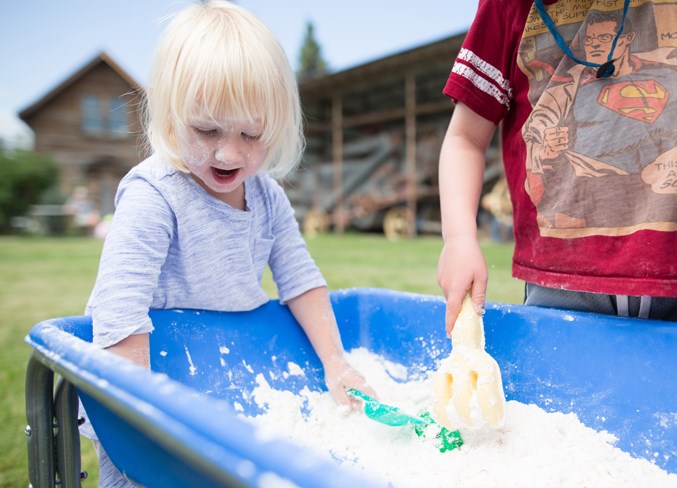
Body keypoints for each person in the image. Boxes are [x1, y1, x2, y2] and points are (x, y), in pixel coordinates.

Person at [83, 2, 375, 485]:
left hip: (221, 380)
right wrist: (142, 414)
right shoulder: (153, 195)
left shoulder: (268, 198)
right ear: (168, 111)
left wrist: (336, 362)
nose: (228, 152)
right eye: (207, 129)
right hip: (138, 387)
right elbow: (119, 315)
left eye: (251, 133)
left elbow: (301, 280)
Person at [437, 0, 677, 334]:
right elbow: (465, 138)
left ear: (625, 39)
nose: (596, 46)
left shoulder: (653, 73)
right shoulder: (508, 7)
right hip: (563, 277)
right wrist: (459, 238)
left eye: (605, 39)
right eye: (590, 40)